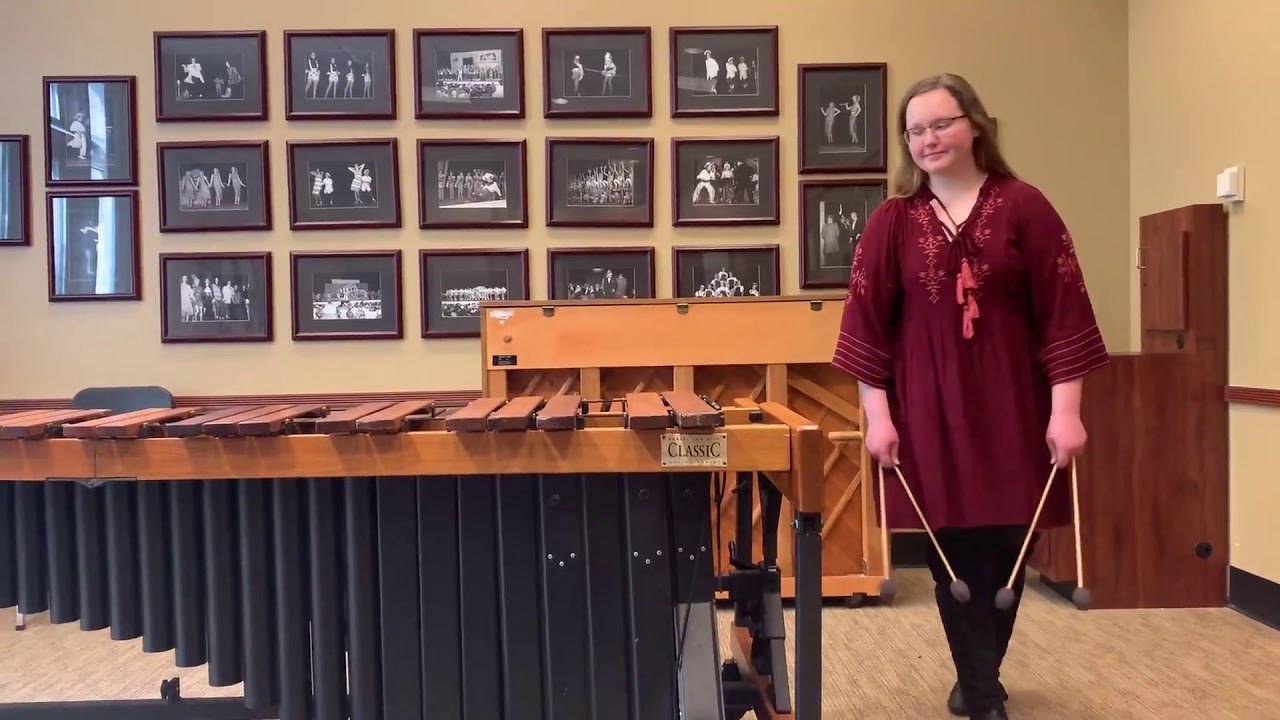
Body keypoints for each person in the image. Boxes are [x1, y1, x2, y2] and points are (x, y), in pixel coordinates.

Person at [832, 73, 1109, 720]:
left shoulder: (1027, 206)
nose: (929, 139)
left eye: (941, 123)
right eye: (916, 130)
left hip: (1017, 409)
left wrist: (1067, 413)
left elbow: (1065, 315)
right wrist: (878, 418)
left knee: (1007, 558)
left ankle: (978, 676)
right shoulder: (890, 222)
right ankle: (983, 694)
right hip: (927, 413)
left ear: (976, 124)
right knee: (952, 559)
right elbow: (865, 327)